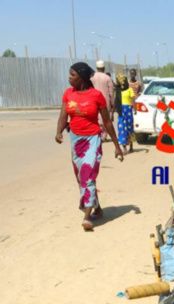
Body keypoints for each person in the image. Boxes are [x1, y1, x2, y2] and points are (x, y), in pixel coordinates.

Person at [55, 62, 124, 232]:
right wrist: (59, 132)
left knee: (88, 175)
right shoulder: (68, 93)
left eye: (73, 75)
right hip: (76, 140)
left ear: (82, 78)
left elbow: (107, 122)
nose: (69, 78)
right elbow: (63, 115)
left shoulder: (96, 96)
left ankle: (87, 216)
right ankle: (97, 207)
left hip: (93, 139)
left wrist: (117, 146)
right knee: (81, 178)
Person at [91, 61, 116, 138]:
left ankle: (98, 134)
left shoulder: (92, 77)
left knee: (96, 117)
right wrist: (112, 103)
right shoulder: (107, 78)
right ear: (104, 68)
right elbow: (111, 92)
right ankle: (103, 135)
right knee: (105, 118)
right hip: (105, 101)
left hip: (93, 100)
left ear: (96, 68)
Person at [115, 73, 135, 154]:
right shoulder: (117, 90)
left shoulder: (129, 89)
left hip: (128, 111)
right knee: (122, 128)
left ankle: (131, 146)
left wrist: (135, 109)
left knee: (129, 128)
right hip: (121, 111)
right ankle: (124, 147)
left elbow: (133, 100)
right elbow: (116, 101)